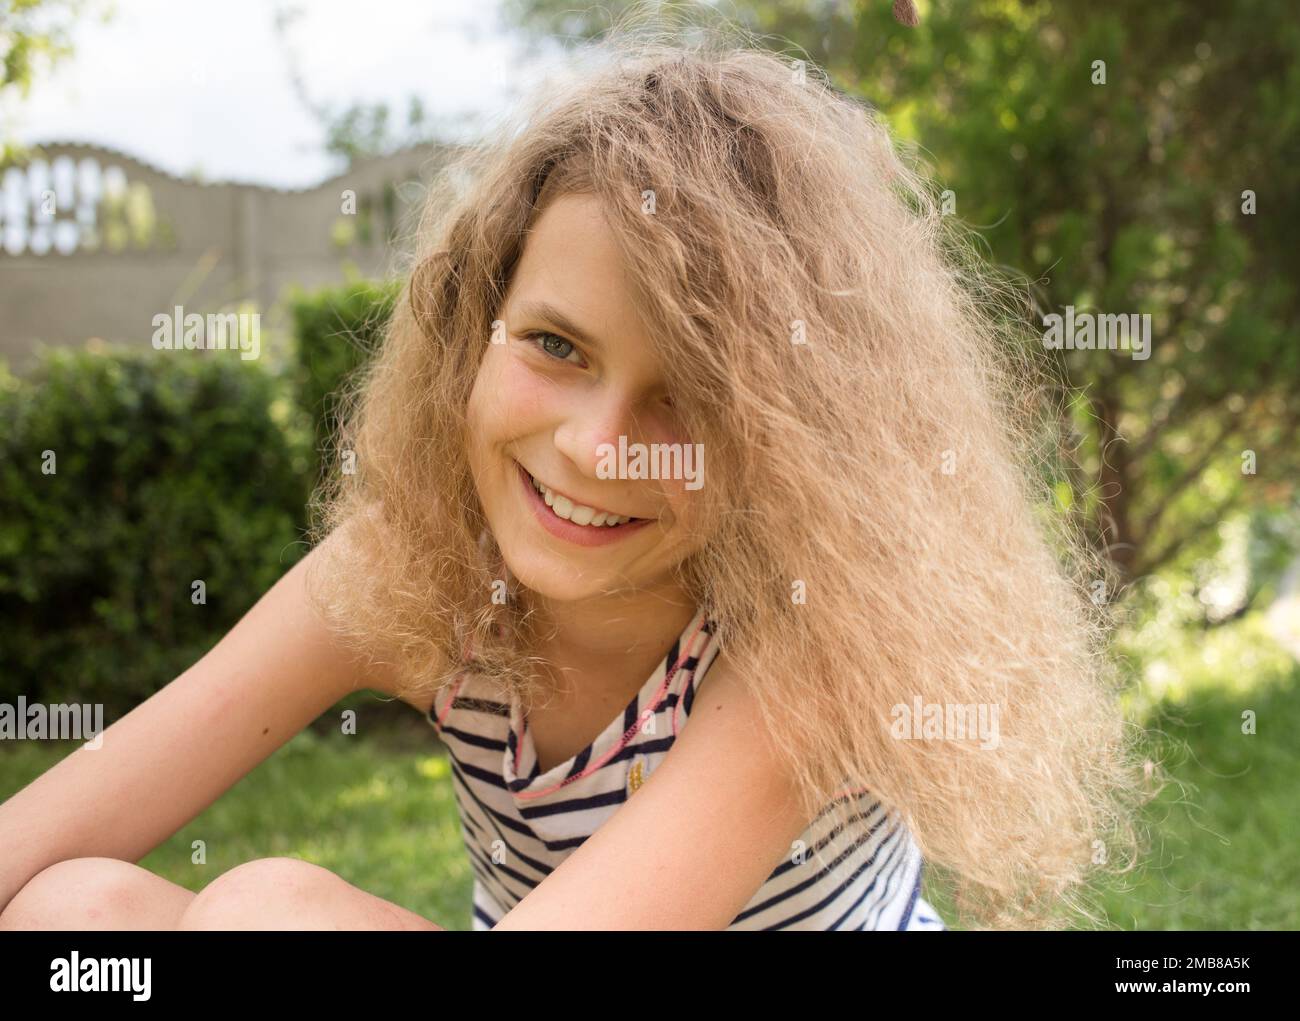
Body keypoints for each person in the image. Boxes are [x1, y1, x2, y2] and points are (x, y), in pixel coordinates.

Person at [0, 20, 1145, 931]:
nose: (600, 448)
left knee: (267, 916)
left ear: (793, 433)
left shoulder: (809, 640)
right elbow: (40, 837)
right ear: (470, 335)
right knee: (72, 914)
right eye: (555, 346)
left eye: (690, 397)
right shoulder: (412, 573)